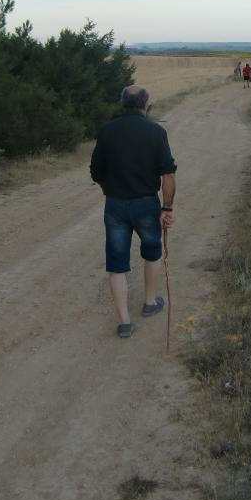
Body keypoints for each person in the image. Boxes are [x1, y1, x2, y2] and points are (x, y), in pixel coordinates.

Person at [90, 85, 177, 338]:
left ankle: (124, 322)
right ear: (145, 104)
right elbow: (168, 174)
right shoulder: (156, 132)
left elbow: (96, 172)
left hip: (115, 205)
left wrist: (109, 189)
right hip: (146, 204)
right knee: (152, 252)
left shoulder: (106, 131)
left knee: (116, 263)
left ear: (122, 103)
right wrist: (167, 207)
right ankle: (150, 302)